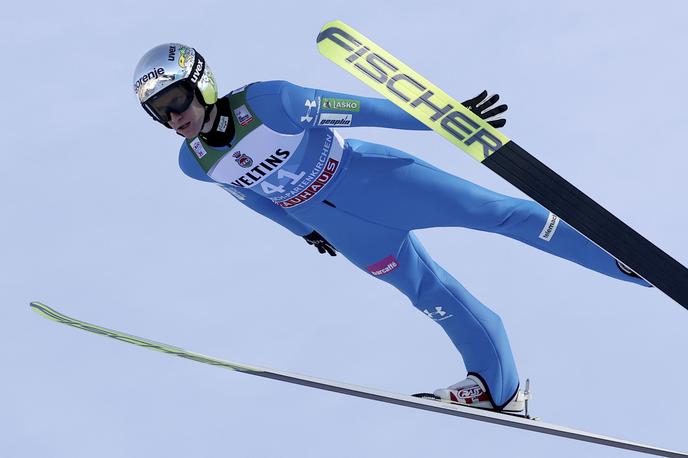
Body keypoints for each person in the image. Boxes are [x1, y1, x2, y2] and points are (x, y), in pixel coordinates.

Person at [133, 43, 650, 413]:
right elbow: (252, 198)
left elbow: (362, 111)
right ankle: (499, 388)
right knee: (431, 296)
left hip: (376, 180)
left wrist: (443, 117)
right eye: (159, 113)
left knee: (500, 213)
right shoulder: (194, 162)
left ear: (200, 83)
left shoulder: (270, 102)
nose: (173, 118)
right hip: (348, 232)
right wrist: (304, 232)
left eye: (175, 101)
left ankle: (625, 261)